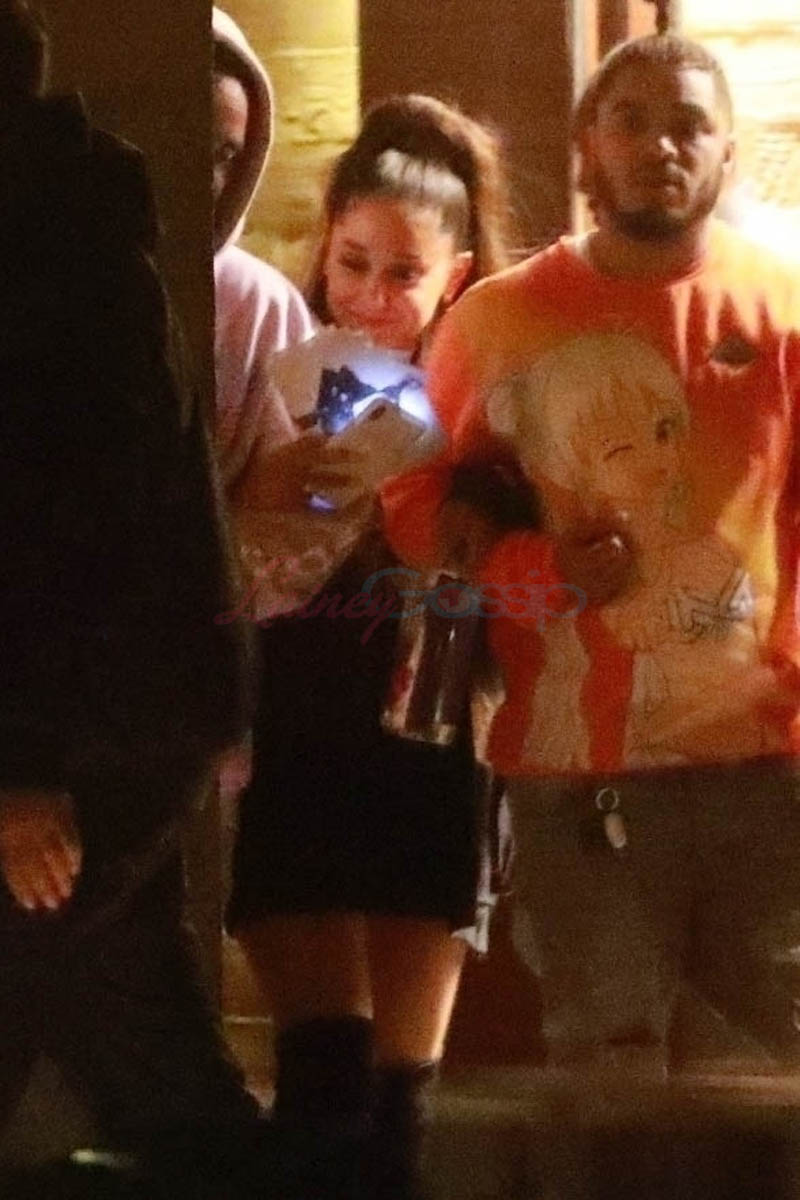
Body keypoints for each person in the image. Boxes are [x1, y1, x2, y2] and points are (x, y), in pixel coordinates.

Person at [383, 33, 800, 1076]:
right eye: (632, 122)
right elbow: (411, 498)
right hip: (576, 772)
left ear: (728, 150)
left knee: (773, 1070)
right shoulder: (495, 322)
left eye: (690, 125)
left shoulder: (784, 306)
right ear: (585, 145)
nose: (662, 146)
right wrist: (537, 573)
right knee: (607, 1073)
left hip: (767, 766)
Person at [225, 93, 514, 1197]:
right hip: (295, 717)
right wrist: (261, 496)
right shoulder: (273, 353)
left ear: (455, 274)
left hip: (428, 728)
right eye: (352, 263)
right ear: (323, 245)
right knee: (316, 1079)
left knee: (398, 1103)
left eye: (404, 273)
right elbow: (206, 553)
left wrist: (463, 507)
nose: (373, 296)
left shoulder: (487, 381)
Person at [0, 0, 262, 1189]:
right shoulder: (67, 215)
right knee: (160, 1069)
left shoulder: (41, 237)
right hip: (115, 715)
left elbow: (63, 513)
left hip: (80, 731)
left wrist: (24, 762)